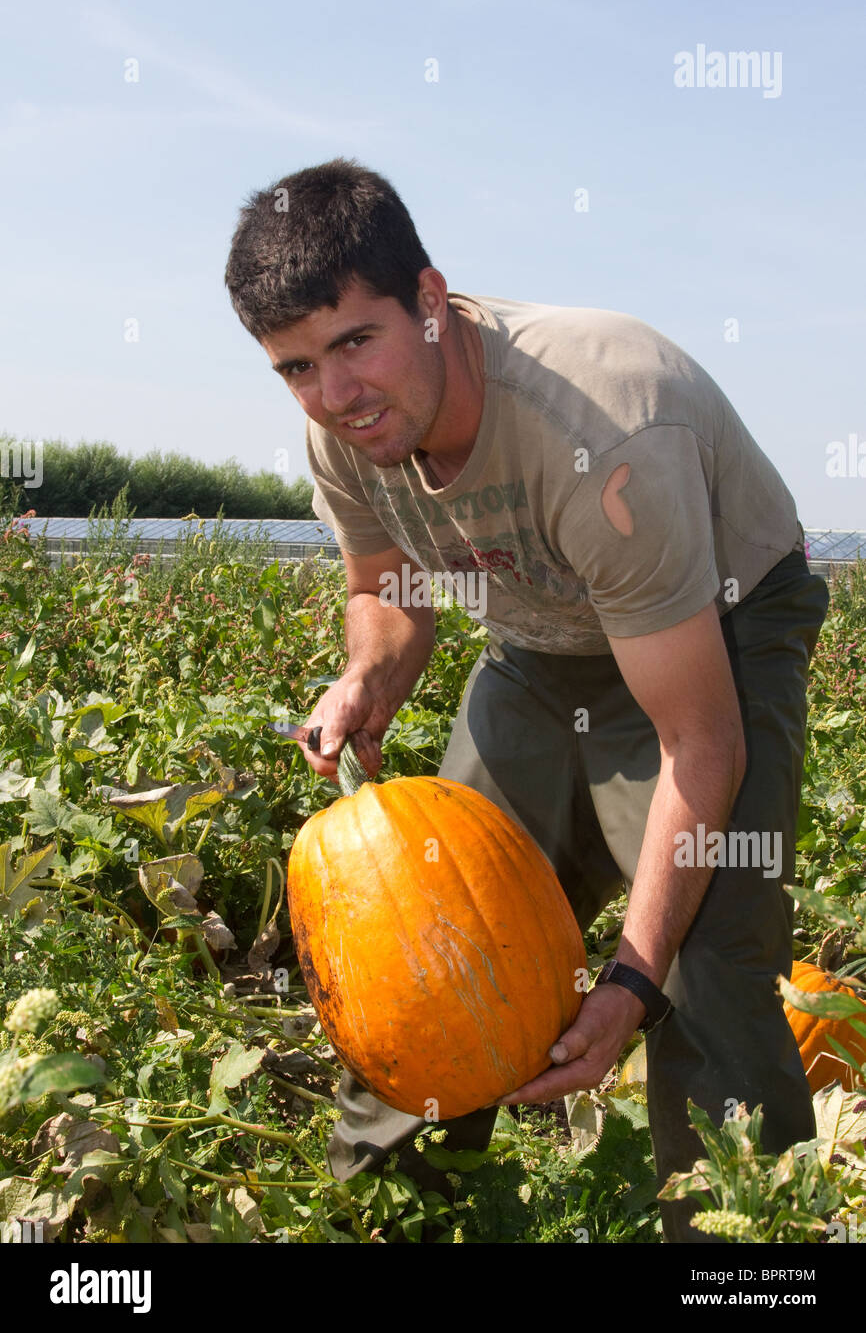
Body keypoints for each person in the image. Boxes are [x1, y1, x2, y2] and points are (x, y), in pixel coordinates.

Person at [225, 157, 829, 1242]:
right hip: (543, 633)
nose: (333, 395)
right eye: (294, 368)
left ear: (426, 298)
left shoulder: (602, 430)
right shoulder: (343, 429)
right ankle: (393, 1217)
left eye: (354, 343)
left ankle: (750, 1249)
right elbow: (386, 590)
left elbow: (699, 741)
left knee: (708, 963)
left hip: (717, 625)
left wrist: (631, 986)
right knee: (416, 931)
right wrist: (367, 674)